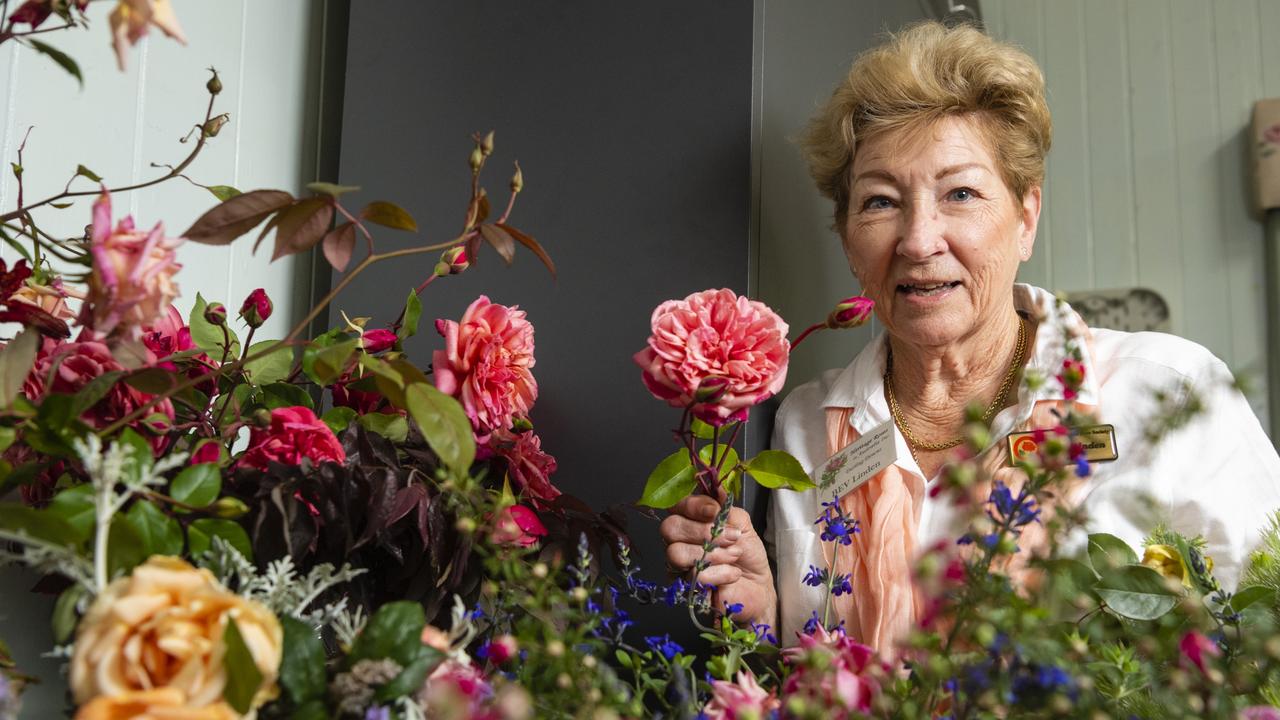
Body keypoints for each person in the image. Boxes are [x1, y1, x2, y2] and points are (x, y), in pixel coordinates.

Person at [659, 21, 1280, 649]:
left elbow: (1259, 644)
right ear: (847, 239)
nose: (920, 240)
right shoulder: (805, 424)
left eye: (960, 193)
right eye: (879, 202)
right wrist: (762, 617)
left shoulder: (1168, 390)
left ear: (1025, 219)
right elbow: (812, 673)